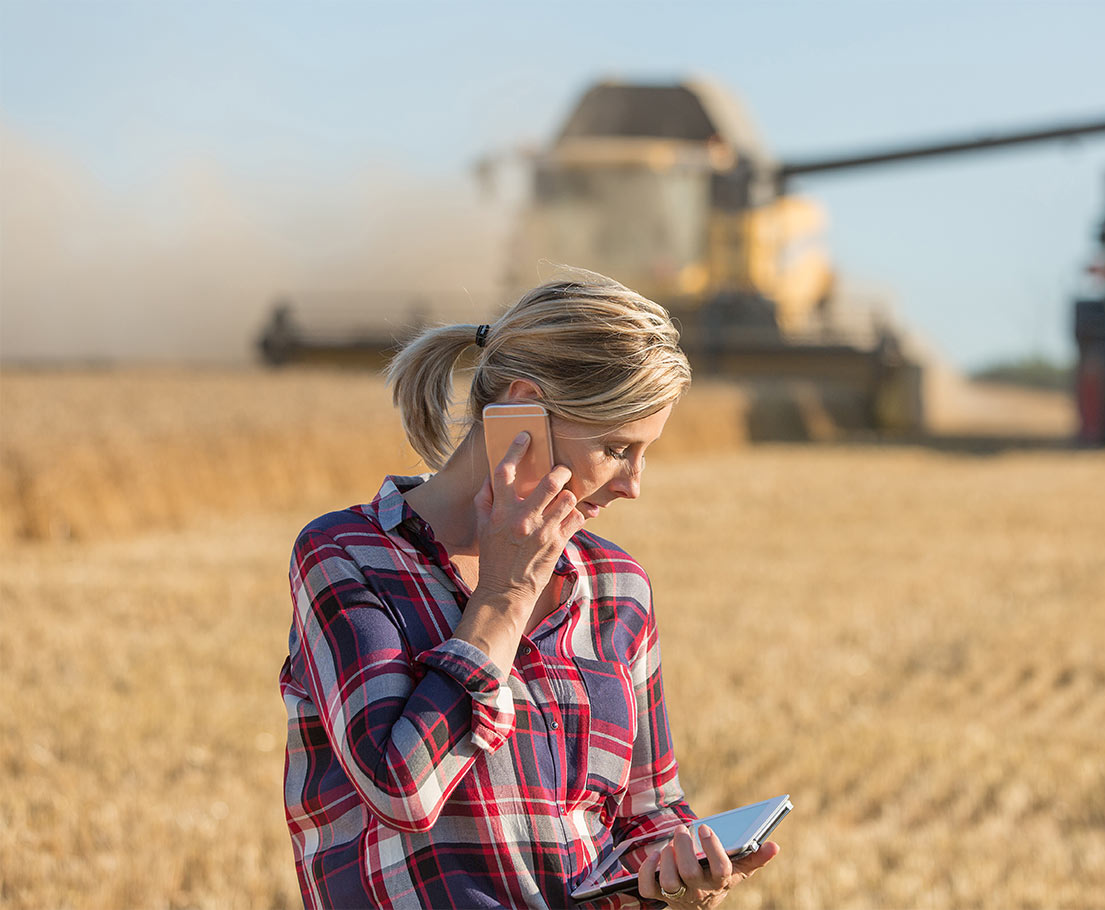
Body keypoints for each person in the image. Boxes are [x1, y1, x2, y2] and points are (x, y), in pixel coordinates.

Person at [278, 273, 779, 909]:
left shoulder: (617, 585)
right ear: (521, 410)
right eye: (617, 447)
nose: (634, 485)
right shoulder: (348, 556)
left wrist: (680, 874)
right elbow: (400, 789)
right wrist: (506, 593)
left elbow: (648, 812)